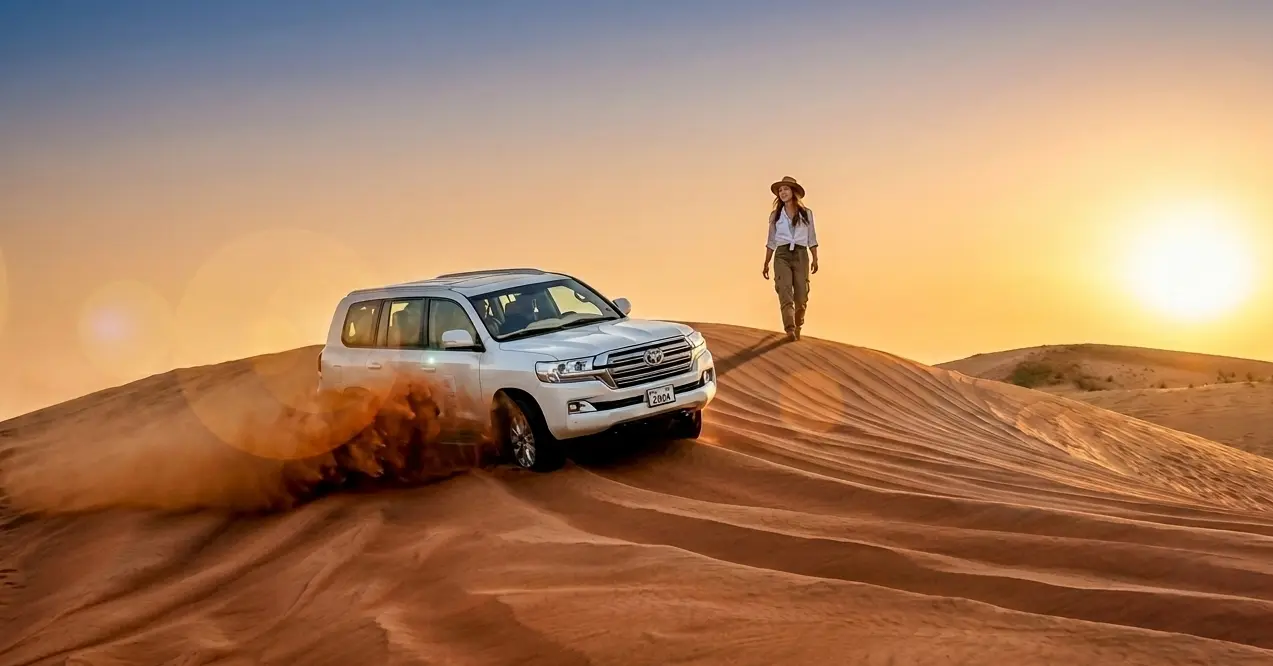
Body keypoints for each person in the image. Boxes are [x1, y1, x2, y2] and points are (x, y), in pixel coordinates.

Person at [761, 176, 819, 341]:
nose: (783, 192)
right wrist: (766, 263)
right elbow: (771, 241)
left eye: (786, 189)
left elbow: (811, 238)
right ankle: (790, 329)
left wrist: (815, 258)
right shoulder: (775, 215)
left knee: (801, 295)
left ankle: (798, 324)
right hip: (782, 254)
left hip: (801, 254)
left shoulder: (806, 213)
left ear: (793, 192)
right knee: (785, 291)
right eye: (780, 190)